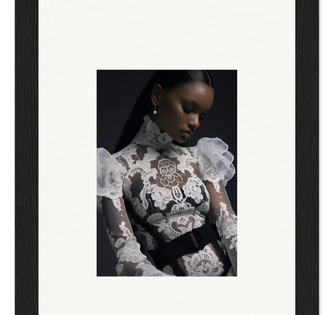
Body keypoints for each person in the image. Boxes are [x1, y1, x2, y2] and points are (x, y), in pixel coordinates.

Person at [97, 70, 237, 276]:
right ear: (157, 96)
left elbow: (229, 224)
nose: (195, 123)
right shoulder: (113, 167)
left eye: (202, 116)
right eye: (189, 109)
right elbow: (127, 253)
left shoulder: (201, 157)